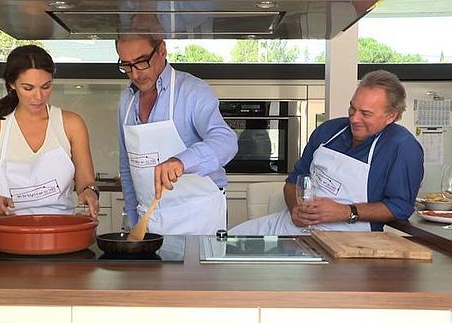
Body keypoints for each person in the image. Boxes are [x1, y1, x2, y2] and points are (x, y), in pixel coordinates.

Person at [230, 70, 424, 235]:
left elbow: (400, 207)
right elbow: (293, 181)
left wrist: (345, 212)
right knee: (223, 243)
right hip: (289, 226)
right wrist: (295, 208)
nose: (354, 119)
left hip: (345, 240)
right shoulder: (329, 130)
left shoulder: (403, 147)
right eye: (352, 108)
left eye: (365, 114)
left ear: (391, 116)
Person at [116, 31, 238, 235]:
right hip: (148, 222)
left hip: (197, 221)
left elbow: (226, 141)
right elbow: (127, 167)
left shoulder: (193, 91)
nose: (135, 73)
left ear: (162, 49)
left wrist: (182, 161)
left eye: (141, 61)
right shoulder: (126, 101)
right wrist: (134, 219)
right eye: (127, 65)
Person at [0, 45, 99, 217]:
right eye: (28, 88)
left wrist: (89, 192)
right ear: (12, 84)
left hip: (61, 229)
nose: (38, 97)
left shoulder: (72, 124)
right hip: (10, 229)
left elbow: (86, 182)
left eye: (46, 87)